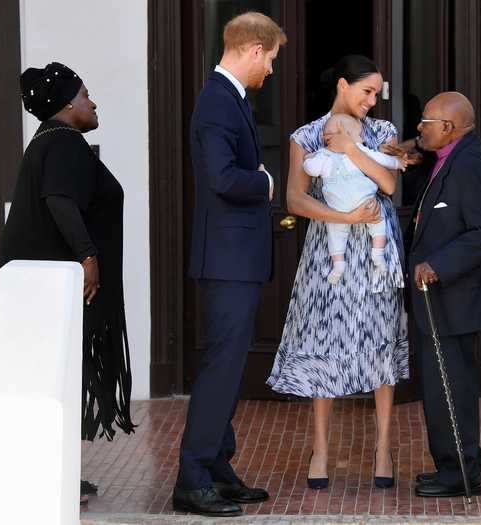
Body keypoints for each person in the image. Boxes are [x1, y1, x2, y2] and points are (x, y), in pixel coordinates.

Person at [267, 55, 412, 490]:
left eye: (377, 93)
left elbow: (388, 186)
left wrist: (351, 150)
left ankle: (383, 447)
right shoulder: (306, 136)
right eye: (366, 91)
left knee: (381, 340)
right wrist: (344, 219)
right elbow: (294, 199)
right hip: (329, 251)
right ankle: (321, 450)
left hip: (376, 252)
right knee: (325, 341)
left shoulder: (382, 133)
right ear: (343, 85)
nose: (372, 100)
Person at [1, 61, 136, 500]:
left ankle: (50, 472)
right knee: (54, 379)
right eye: (85, 94)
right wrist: (88, 257)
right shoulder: (63, 143)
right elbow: (60, 200)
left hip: (44, 287)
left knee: (53, 379)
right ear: (66, 104)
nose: (93, 103)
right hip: (57, 286)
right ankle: (46, 478)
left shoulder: (50, 141)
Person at [172, 12, 287, 518]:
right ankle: (192, 479)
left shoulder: (231, 99)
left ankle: (217, 468)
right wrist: (264, 183)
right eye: (272, 60)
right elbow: (220, 178)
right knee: (220, 371)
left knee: (229, 369)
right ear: (255, 50)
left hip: (235, 260)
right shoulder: (218, 100)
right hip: (227, 262)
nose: (272, 72)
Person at [407, 92, 481, 498]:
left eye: (426, 122)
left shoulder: (470, 163)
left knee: (451, 388)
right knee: (442, 386)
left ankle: (463, 475)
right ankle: (454, 467)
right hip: (440, 300)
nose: (419, 127)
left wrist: (439, 264)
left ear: (448, 128)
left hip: (456, 296)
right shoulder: (449, 157)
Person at [302, 113, 409, 284]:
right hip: (364, 200)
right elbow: (382, 159)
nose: (361, 139)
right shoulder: (360, 150)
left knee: (335, 234)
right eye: (359, 135)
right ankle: (378, 253)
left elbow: (311, 169)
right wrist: (397, 163)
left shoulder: (323, 156)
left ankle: (338, 265)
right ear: (345, 134)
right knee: (377, 220)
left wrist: (308, 159)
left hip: (338, 207)